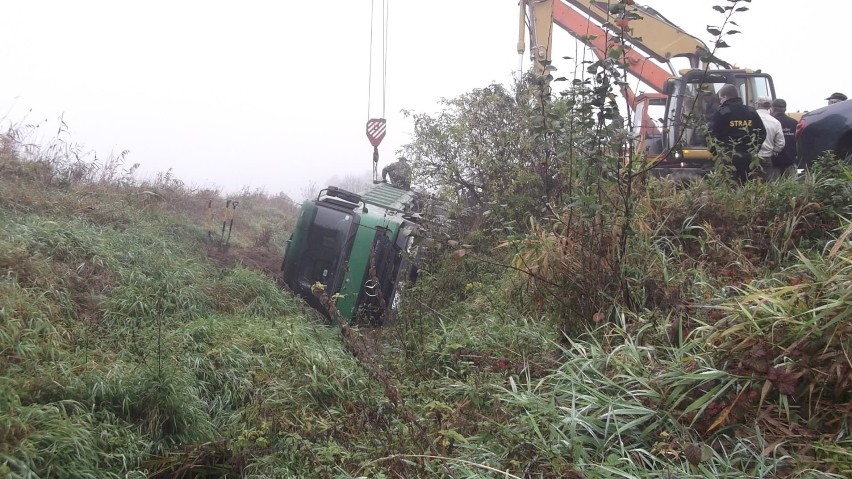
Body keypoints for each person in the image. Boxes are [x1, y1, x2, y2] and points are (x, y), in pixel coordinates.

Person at [708, 84, 767, 184]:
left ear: (725, 97)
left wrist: (717, 154)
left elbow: (710, 135)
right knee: (748, 185)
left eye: (720, 99)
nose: (721, 102)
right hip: (749, 158)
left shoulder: (721, 112)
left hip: (728, 157)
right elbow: (762, 133)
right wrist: (754, 149)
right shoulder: (751, 111)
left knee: (729, 186)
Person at [754, 97, 785, 180]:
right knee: (766, 185)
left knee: (750, 183)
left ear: (757, 104)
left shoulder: (750, 118)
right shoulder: (775, 122)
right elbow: (781, 143)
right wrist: (774, 152)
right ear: (769, 107)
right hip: (766, 158)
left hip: (751, 157)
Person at [770, 98, 799, 177]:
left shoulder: (771, 122)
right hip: (790, 160)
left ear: (772, 108)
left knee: (774, 187)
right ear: (785, 109)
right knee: (792, 186)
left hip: (774, 161)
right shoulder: (794, 122)